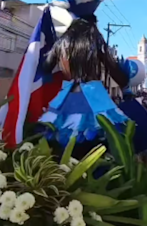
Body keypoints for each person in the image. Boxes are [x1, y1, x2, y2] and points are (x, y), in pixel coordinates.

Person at [39, 0, 129, 146]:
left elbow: (46, 67)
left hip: (66, 98)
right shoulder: (96, 39)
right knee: (101, 142)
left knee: (60, 142)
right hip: (94, 98)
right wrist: (125, 83)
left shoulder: (61, 41)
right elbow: (112, 67)